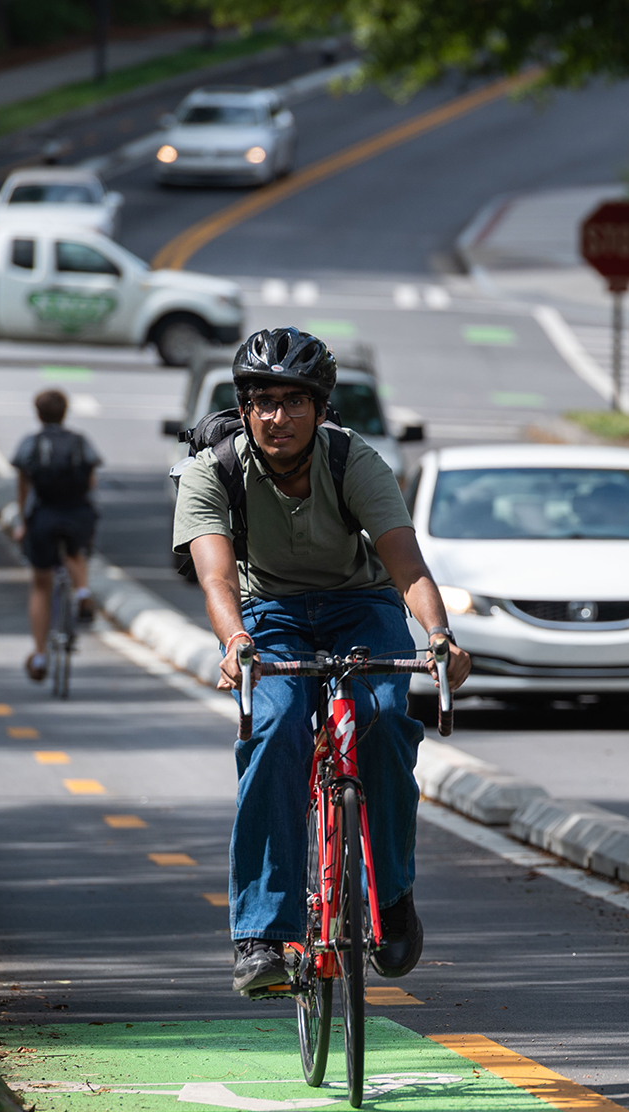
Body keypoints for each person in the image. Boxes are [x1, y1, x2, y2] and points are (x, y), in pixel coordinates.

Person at [172, 327, 471, 997]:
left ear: (321, 407)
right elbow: (218, 580)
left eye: (296, 402)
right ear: (244, 408)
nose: (279, 418)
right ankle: (260, 935)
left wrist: (440, 635)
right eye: (264, 402)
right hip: (270, 615)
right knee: (272, 731)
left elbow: (405, 563)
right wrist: (235, 644)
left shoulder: (352, 459)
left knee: (386, 723)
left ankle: (391, 900)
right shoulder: (212, 470)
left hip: (359, 605)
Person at [11, 389, 101, 682]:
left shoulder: (32, 443)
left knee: (40, 582)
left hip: (45, 516)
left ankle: (38, 656)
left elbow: (23, 484)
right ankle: (84, 592)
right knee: (75, 551)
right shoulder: (80, 441)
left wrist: (23, 520)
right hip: (77, 513)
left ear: (38, 414)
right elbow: (91, 480)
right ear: (65, 412)